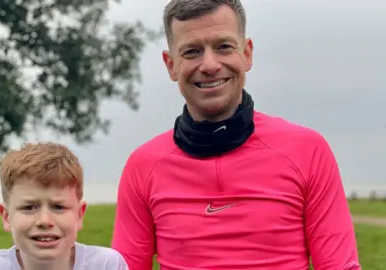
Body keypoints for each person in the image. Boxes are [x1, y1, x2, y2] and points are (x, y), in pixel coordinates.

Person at [111, 0, 361, 269]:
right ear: (171, 65)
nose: (209, 65)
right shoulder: (143, 166)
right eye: (192, 51)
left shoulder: (308, 151)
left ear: (247, 53)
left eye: (224, 47)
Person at [0, 142, 128, 270]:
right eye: (29, 207)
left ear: (79, 214)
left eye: (58, 207)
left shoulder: (107, 265)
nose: (45, 220)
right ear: (6, 216)